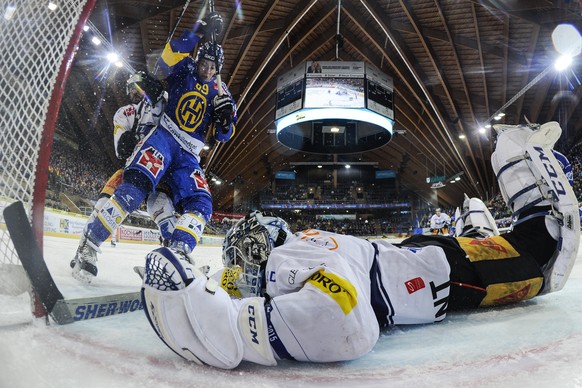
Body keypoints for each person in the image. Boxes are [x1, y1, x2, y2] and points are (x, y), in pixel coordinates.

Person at [140, 121, 579, 369]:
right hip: (417, 258)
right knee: (500, 246)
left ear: (262, 248)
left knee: (541, 259)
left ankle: (518, 160)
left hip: (443, 272)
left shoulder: (287, 257)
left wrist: (228, 316)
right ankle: (481, 215)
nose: (237, 271)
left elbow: (346, 323)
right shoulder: (298, 243)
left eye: (240, 259)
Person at [71, 11, 235, 284]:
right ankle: (90, 244)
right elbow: (165, 61)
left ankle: (178, 253)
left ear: (219, 67)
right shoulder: (184, 69)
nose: (207, 70)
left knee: (202, 202)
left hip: (190, 153)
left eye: (212, 67)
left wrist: (225, 118)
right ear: (199, 60)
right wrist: (197, 31)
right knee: (135, 189)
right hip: (164, 136)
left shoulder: (224, 93)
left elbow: (224, 135)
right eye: (204, 63)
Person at [71, 71, 177, 283]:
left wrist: (161, 97)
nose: (133, 93)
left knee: (163, 208)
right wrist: (127, 141)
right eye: (130, 89)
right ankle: (84, 250)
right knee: (102, 204)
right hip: (133, 167)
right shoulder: (125, 112)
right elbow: (122, 148)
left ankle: (174, 259)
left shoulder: (163, 102)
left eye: (137, 88)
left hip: (161, 168)